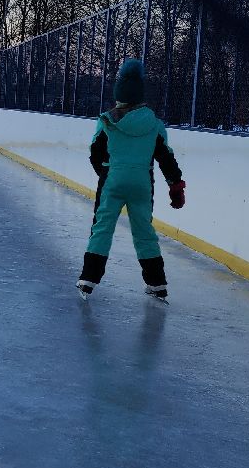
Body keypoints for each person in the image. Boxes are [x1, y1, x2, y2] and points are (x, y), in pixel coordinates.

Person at [77, 58, 186, 303]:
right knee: (145, 232)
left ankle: (88, 279)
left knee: (102, 228)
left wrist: (106, 173)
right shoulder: (155, 124)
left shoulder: (107, 121)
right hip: (142, 183)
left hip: (113, 179)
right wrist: (175, 187)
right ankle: (157, 284)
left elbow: (95, 153)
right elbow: (166, 159)